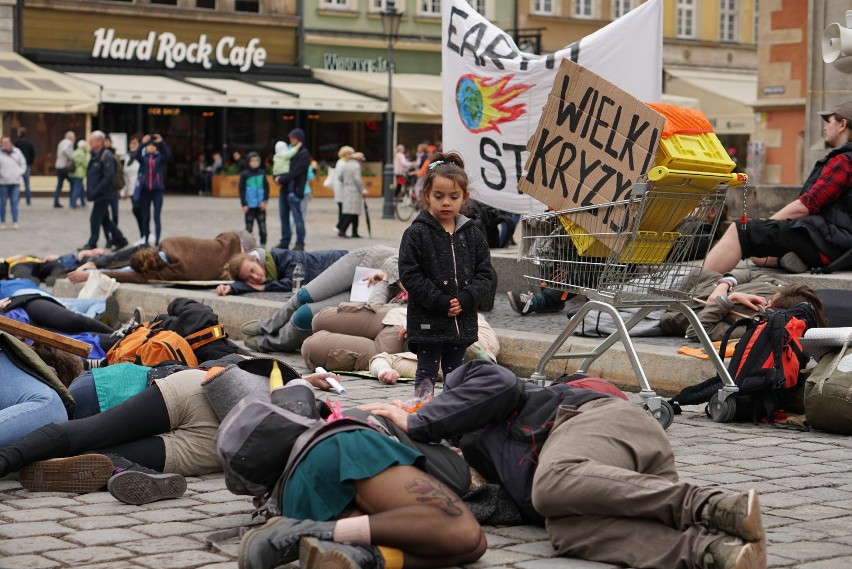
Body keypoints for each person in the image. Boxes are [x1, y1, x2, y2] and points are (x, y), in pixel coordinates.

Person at [362, 360, 767, 569]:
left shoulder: (471, 381)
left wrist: (419, 419)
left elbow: (500, 384)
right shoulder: (468, 449)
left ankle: (708, 504)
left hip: (599, 422)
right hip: (609, 480)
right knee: (564, 529)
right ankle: (714, 553)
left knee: (552, 483)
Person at [705, 100, 852, 275]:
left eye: (829, 122)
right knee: (758, 253)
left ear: (842, 124)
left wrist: (768, 224)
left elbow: (805, 206)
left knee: (741, 231)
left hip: (830, 245)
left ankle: (695, 288)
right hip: (838, 244)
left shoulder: (844, 161)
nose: (825, 128)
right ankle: (786, 259)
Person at [399, 152, 494, 394]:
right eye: (439, 196)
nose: (446, 203)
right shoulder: (417, 233)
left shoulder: (472, 233)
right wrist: (439, 301)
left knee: (455, 374)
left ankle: (451, 415)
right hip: (428, 320)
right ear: (426, 196)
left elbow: (485, 274)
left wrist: (465, 299)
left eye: (454, 197)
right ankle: (422, 412)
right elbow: (410, 275)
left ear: (465, 197)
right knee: (427, 373)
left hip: (461, 321)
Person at [239, 245, 399, 353]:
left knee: (305, 315)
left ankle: (270, 343)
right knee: (303, 295)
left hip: (378, 292)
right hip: (371, 260)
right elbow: (395, 264)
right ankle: (269, 325)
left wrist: (387, 281)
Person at [301, 302, 500, 385]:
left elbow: (388, 361)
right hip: (395, 317)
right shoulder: (485, 339)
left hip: (388, 347)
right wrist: (423, 319)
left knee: (312, 347)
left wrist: (383, 371)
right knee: (319, 319)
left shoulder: (447, 368)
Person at [69, 231, 253, 285]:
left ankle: (95, 267)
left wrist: (94, 274)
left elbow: (130, 275)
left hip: (240, 257)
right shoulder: (169, 242)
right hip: (236, 239)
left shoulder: (169, 273)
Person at [217, 247, 348, 296]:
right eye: (248, 278)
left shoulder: (287, 258)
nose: (255, 277)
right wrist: (231, 288)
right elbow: (250, 285)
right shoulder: (268, 269)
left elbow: (293, 283)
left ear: (257, 261)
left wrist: (263, 287)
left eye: (253, 270)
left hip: (344, 262)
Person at [81, 131, 129, 252]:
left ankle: (92, 243)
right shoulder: (95, 155)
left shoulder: (106, 155)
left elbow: (108, 177)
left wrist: (95, 191)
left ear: (99, 142)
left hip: (104, 194)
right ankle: (121, 240)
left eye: (91, 141)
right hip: (99, 193)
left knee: (95, 219)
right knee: (105, 220)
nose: (89, 143)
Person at [132, 133, 171, 247]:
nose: (150, 147)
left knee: (156, 216)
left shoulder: (160, 159)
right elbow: (136, 155)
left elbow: (168, 154)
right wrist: (142, 143)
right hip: (145, 191)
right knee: (146, 216)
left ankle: (158, 238)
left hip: (157, 191)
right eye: (149, 146)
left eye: (153, 146)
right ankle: (146, 237)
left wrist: (161, 142)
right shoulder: (143, 159)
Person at [275, 128, 310, 250]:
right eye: (290, 137)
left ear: (300, 139)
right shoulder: (290, 152)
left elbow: (295, 172)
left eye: (293, 137)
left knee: (297, 218)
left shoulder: (304, 154)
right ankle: (285, 241)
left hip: (295, 190)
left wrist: (281, 179)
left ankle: (300, 243)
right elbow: (281, 167)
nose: (291, 139)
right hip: (284, 190)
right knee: (284, 217)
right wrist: (276, 177)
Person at [239, 151, 270, 247]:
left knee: (263, 228)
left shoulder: (262, 173)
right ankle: (248, 246)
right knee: (248, 228)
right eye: (252, 160)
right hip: (249, 206)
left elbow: (266, 188)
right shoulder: (244, 174)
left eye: (257, 160)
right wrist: (244, 204)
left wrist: (264, 201)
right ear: (248, 161)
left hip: (260, 206)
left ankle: (263, 245)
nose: (255, 162)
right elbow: (242, 190)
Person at [337, 151, 366, 238]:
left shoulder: (346, 164)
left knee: (353, 212)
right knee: (352, 212)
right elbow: (357, 179)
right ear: (358, 159)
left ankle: (354, 232)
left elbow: (340, 177)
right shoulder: (356, 166)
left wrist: (346, 183)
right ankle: (343, 230)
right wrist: (362, 189)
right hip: (354, 191)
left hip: (346, 189)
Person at [0, 135, 26, 230]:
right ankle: (2, 221)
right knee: (2, 202)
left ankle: (15, 221)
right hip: (3, 182)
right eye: (3, 142)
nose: (5, 144)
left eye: (7, 142)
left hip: (15, 181)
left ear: (10, 143)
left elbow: (23, 163)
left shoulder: (17, 152)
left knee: (14, 202)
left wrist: (19, 172)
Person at [332, 145, 354, 230]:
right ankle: (339, 227)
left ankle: (340, 227)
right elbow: (342, 177)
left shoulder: (343, 162)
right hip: (342, 190)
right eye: (349, 154)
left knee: (342, 209)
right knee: (343, 209)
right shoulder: (342, 163)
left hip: (342, 189)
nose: (351, 156)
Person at [53, 131, 76, 208]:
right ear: (70, 137)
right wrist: (71, 157)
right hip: (64, 166)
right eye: (74, 137)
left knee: (59, 185)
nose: (74, 139)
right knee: (73, 183)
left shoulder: (61, 142)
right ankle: (72, 202)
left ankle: (56, 201)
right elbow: (65, 150)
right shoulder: (69, 143)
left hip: (59, 165)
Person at [13, 128, 35, 206]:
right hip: (27, 165)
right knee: (27, 184)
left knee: (17, 183)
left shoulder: (16, 142)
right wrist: (30, 163)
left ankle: (16, 200)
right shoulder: (29, 143)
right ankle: (28, 200)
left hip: (17, 165)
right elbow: (33, 154)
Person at [69, 140, 88, 209]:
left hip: (73, 173)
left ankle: (83, 202)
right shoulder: (81, 153)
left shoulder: (75, 152)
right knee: (77, 189)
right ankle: (73, 203)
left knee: (80, 188)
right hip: (79, 173)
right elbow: (85, 164)